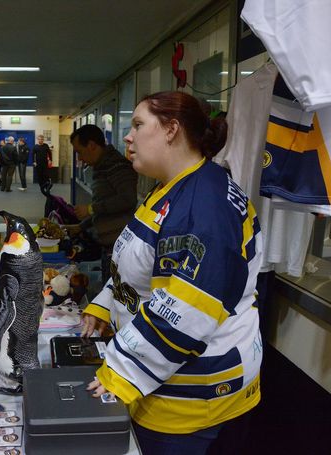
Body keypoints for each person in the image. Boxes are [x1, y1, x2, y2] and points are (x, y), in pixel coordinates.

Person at [82, 91, 263, 455]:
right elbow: (138, 265)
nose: (127, 137)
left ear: (171, 130)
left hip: (193, 397)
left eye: (137, 125)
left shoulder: (203, 205)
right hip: (165, 376)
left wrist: (120, 370)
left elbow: (186, 309)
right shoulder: (174, 188)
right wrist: (106, 305)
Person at [69, 124, 137, 283]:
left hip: (118, 246)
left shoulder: (118, 167)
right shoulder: (101, 167)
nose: (79, 158)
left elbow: (127, 200)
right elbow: (104, 206)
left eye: (80, 152)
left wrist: (91, 209)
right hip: (108, 244)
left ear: (92, 145)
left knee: (113, 296)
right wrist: (82, 226)